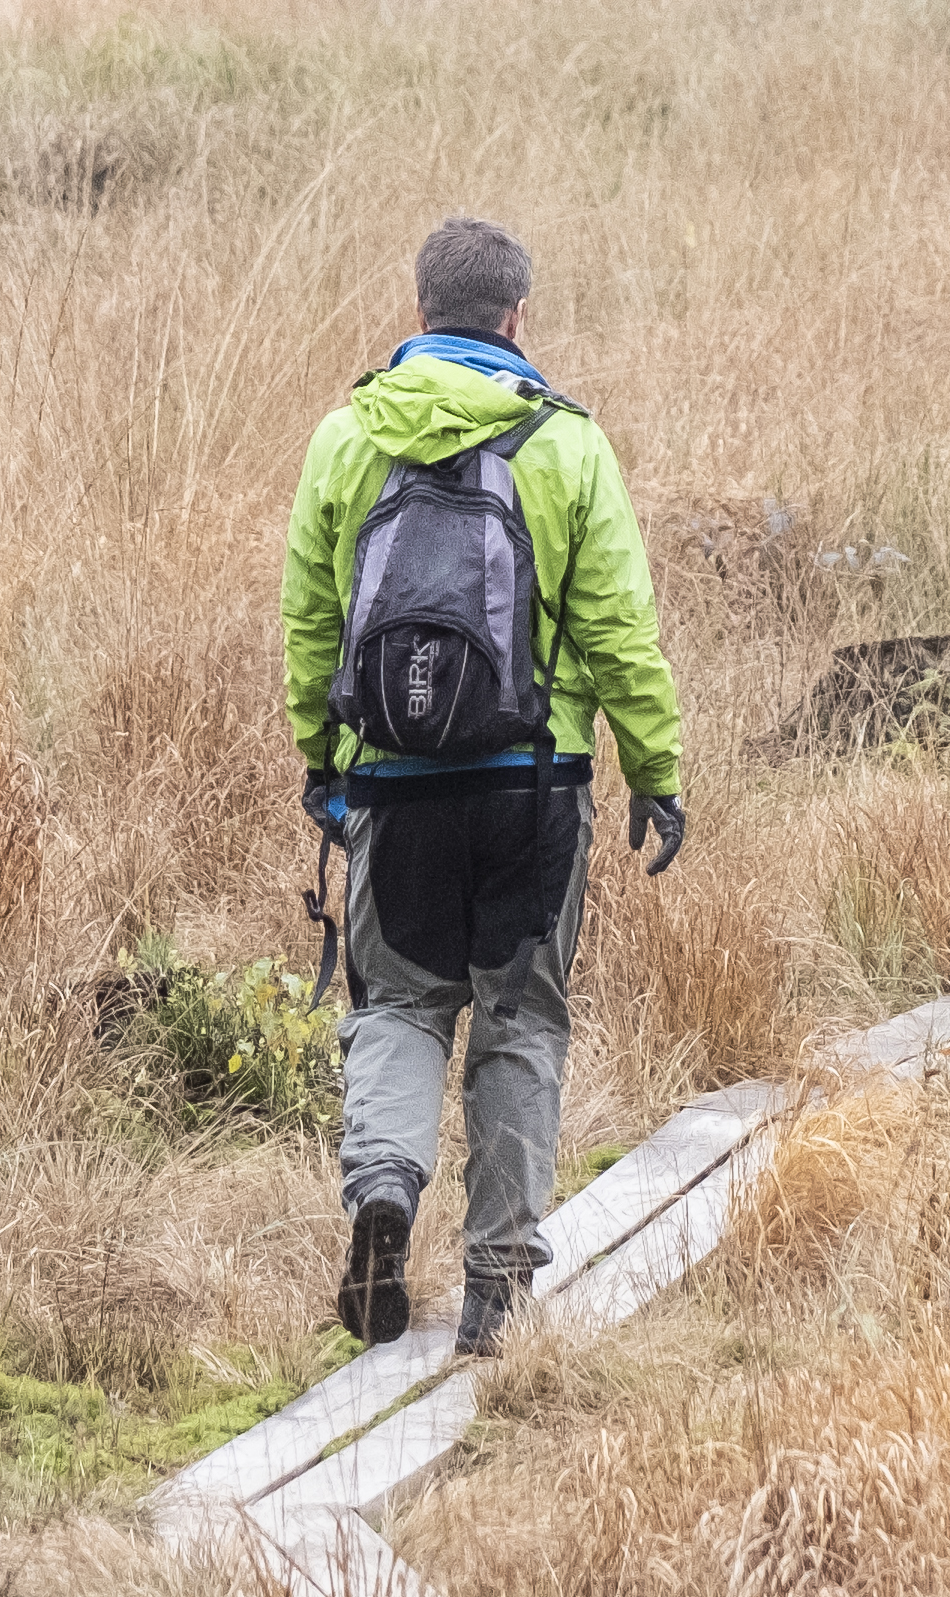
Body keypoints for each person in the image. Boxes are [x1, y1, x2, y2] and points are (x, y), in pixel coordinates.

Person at [280, 214, 686, 1358]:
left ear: (417, 315)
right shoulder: (566, 445)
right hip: (532, 788)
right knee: (518, 1024)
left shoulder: (345, 438)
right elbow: (619, 631)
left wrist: (324, 758)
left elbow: (310, 621)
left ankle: (383, 1196)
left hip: (392, 789)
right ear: (517, 320)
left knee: (399, 1006)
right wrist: (654, 773)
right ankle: (498, 1287)